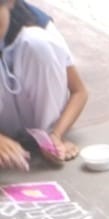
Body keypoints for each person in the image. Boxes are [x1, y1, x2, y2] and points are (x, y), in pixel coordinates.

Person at [0, 0, 88, 171]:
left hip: (40, 123)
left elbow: (79, 92)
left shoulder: (38, 30)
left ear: (10, 2)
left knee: (38, 45)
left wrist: (56, 134)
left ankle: (44, 136)